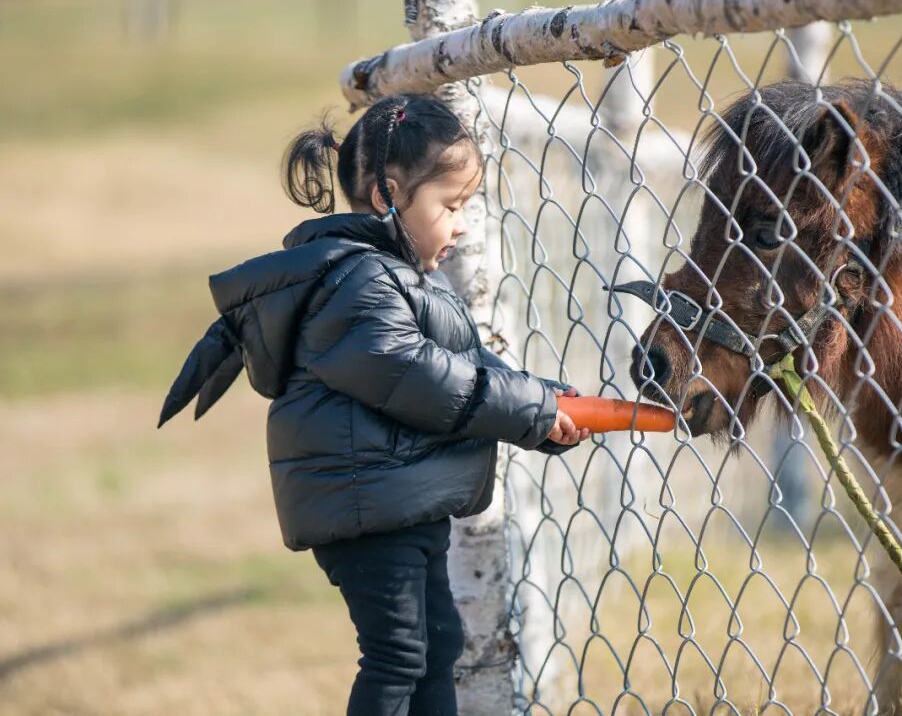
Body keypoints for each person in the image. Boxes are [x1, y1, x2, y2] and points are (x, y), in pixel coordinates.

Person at [157, 93, 588, 716]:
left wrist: (544, 407)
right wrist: (528, 409)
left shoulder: (399, 277)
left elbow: (470, 366)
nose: (461, 223)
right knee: (398, 654)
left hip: (396, 502)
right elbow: (421, 378)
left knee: (436, 646)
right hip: (366, 508)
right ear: (389, 196)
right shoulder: (360, 284)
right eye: (451, 205)